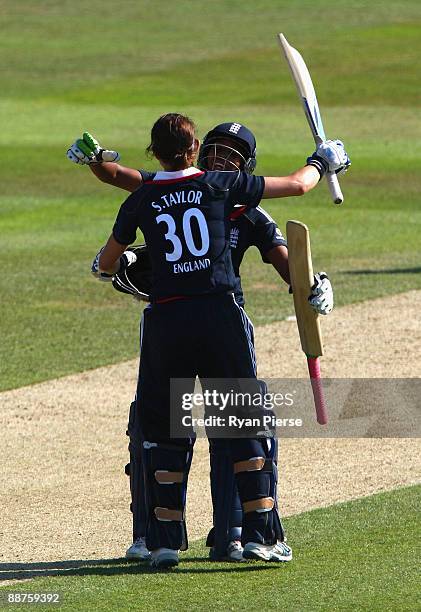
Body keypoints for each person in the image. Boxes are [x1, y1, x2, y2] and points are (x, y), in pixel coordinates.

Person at [69, 113, 349, 568]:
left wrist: (104, 264)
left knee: (165, 433)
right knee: (243, 425)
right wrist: (323, 159)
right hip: (220, 316)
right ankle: (259, 535)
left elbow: (109, 255)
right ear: (196, 147)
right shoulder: (221, 187)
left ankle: (162, 543)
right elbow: (299, 186)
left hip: (167, 321)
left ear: (153, 151)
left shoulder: (145, 194)